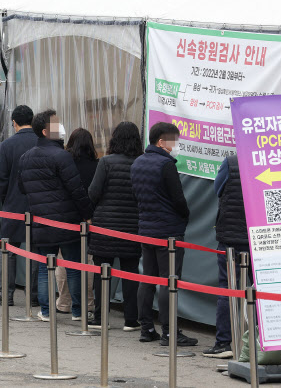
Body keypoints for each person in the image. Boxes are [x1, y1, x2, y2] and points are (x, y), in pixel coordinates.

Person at [18, 110, 93, 321]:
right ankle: (78, 311)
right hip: (67, 221)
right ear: (45, 131)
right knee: (74, 267)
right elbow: (76, 189)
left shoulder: (26, 157)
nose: (60, 127)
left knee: (45, 267)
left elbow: (22, 187)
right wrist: (88, 214)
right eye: (56, 124)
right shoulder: (62, 156)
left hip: (41, 221)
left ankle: (46, 311)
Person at [130, 122, 197, 346]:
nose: (176, 145)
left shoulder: (138, 163)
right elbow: (178, 199)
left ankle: (146, 328)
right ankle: (170, 332)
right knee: (169, 282)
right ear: (161, 142)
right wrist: (184, 217)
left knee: (147, 279)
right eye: (174, 141)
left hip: (146, 229)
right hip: (168, 232)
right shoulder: (166, 165)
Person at [87, 121, 143, 331]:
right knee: (130, 273)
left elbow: (93, 193)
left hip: (105, 226)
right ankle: (131, 320)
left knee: (103, 272)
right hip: (133, 226)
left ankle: (100, 318)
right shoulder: (141, 162)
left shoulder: (106, 162)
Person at [0, 105, 37, 306]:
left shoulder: (8, 144)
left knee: (8, 250)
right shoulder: (43, 142)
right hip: (39, 205)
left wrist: (5, 199)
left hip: (13, 203)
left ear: (14, 123)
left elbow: (2, 177)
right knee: (36, 251)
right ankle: (35, 295)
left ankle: (7, 294)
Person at [203, 154, 251, 358]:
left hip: (231, 236)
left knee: (227, 287)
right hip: (262, 237)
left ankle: (224, 343)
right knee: (264, 289)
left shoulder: (231, 162)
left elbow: (218, 190)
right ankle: (266, 344)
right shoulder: (274, 160)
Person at [56, 128, 98, 315]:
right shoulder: (98, 165)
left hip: (65, 217)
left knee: (64, 260)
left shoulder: (64, 164)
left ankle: (65, 302)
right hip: (90, 217)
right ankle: (87, 303)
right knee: (88, 260)